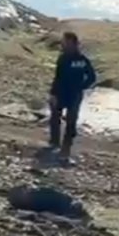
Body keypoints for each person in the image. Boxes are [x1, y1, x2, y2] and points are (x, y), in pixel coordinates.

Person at [49, 31, 97, 164]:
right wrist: (53, 94)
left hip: (73, 95)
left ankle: (65, 149)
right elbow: (58, 77)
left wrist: (81, 87)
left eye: (65, 42)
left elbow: (92, 77)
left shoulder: (81, 60)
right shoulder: (64, 58)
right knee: (55, 118)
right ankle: (54, 143)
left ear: (72, 43)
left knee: (71, 122)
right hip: (62, 93)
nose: (63, 44)